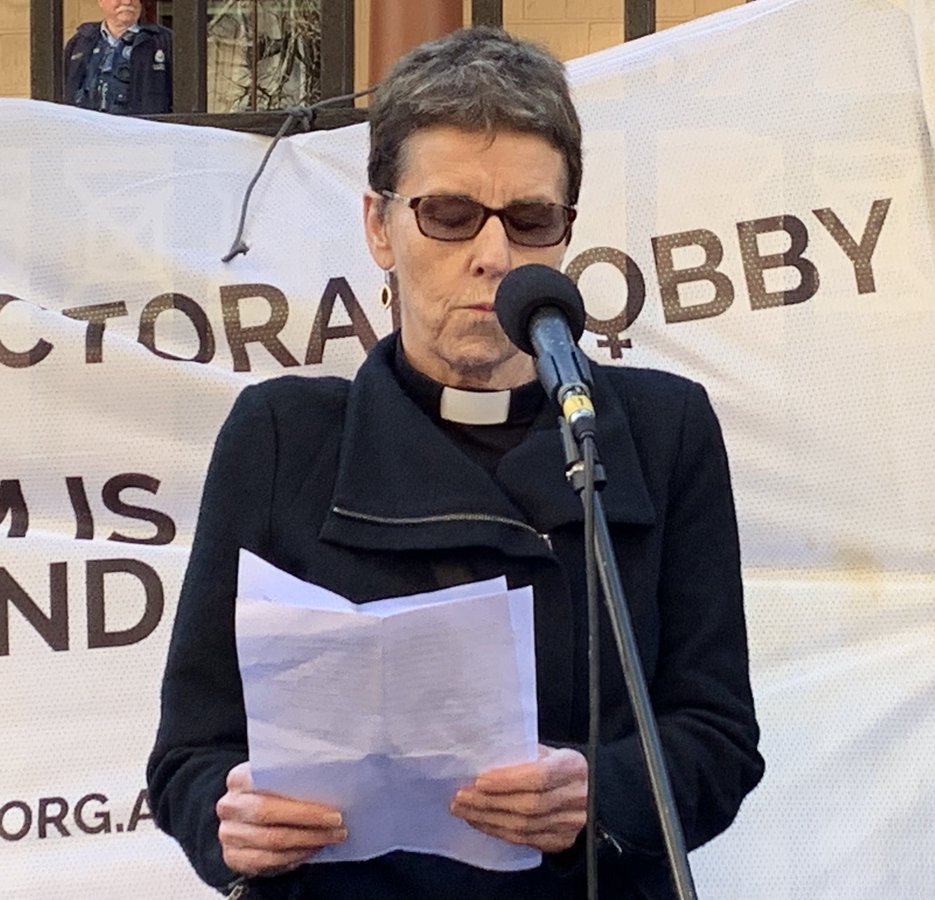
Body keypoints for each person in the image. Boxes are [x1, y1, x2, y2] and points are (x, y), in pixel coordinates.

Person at [147, 27, 763, 900]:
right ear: (380, 226)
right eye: (449, 213)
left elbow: (719, 738)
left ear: (563, 234)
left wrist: (601, 792)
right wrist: (227, 814)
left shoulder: (660, 432)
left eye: (530, 219)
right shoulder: (281, 436)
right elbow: (189, 753)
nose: (493, 255)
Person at [64, 0, 172, 115]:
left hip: (140, 130)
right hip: (87, 130)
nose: (127, 2)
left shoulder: (164, 41)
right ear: (101, 1)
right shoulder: (80, 42)